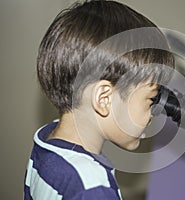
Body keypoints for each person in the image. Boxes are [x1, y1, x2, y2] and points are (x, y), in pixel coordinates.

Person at [24, 0, 174, 199]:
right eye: (150, 99)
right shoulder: (91, 187)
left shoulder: (47, 142)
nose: (154, 112)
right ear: (104, 99)